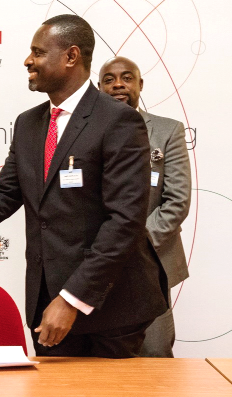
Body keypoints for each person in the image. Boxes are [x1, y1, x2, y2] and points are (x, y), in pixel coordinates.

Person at [0, 15, 168, 358]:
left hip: (110, 307)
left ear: (71, 56)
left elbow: (124, 223)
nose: (28, 61)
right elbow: (0, 197)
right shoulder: (29, 124)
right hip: (47, 301)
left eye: (38, 52)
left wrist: (73, 299)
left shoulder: (118, 120)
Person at [98, 56, 191, 357]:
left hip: (151, 265)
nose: (118, 85)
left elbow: (177, 200)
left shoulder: (167, 131)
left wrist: (132, 242)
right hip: (96, 267)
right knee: (100, 364)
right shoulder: (83, 135)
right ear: (98, 88)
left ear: (140, 84)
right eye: (109, 80)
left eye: (126, 77)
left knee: (155, 356)